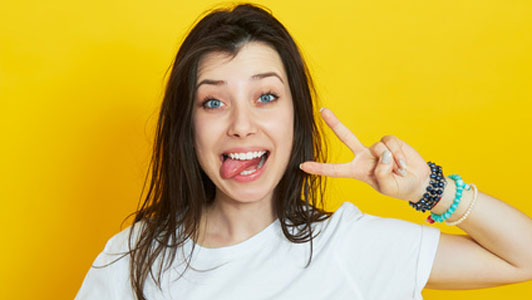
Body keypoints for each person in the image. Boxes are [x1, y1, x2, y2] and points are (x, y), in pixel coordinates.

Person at [74, 3, 532, 300]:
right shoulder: (133, 258)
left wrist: (425, 187)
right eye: (213, 101)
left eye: (266, 97)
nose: (241, 125)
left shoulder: (349, 246)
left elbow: (523, 257)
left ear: (296, 116)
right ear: (187, 125)